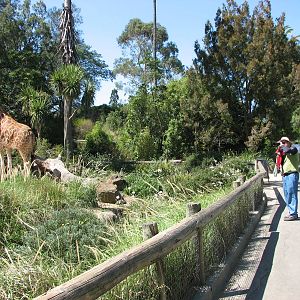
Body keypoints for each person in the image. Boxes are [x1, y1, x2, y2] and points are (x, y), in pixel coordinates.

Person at [275, 137, 299, 221]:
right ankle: (291, 212)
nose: (282, 144)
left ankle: (293, 213)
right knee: (287, 194)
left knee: (292, 193)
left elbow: (290, 151)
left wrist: (282, 147)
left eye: (284, 142)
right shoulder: (284, 153)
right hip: (285, 175)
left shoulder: (294, 149)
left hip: (292, 173)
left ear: (289, 143)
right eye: (281, 143)